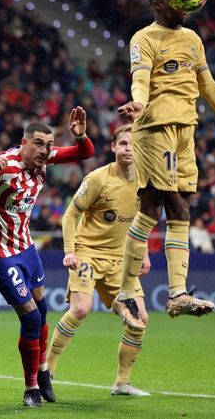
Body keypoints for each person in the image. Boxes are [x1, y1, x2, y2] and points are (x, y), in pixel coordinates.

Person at [113, 0, 215, 329]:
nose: (186, 12)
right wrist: (138, 104)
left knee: (162, 207)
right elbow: (140, 78)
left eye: (189, 6)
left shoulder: (192, 40)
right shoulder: (145, 38)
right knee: (170, 206)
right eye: (179, 4)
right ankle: (160, 292)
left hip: (186, 129)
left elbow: (208, 85)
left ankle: (149, 292)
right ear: (158, 3)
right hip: (156, 128)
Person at [0, 107, 94, 407]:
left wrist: (80, 136)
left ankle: (43, 369)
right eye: (40, 144)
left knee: (42, 311)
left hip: (25, 246)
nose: (46, 150)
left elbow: (84, 152)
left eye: (49, 144)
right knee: (30, 316)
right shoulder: (5, 166)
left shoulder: (45, 158)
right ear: (24, 142)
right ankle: (31, 387)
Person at [46, 124, 152, 397]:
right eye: (124, 143)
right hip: (88, 253)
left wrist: (145, 253)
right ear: (114, 147)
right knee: (81, 309)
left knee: (140, 317)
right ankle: (47, 369)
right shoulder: (97, 179)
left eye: (133, 144)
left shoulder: (145, 180)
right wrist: (70, 251)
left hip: (121, 258)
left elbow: (143, 221)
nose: (129, 149)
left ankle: (122, 383)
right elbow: (70, 214)